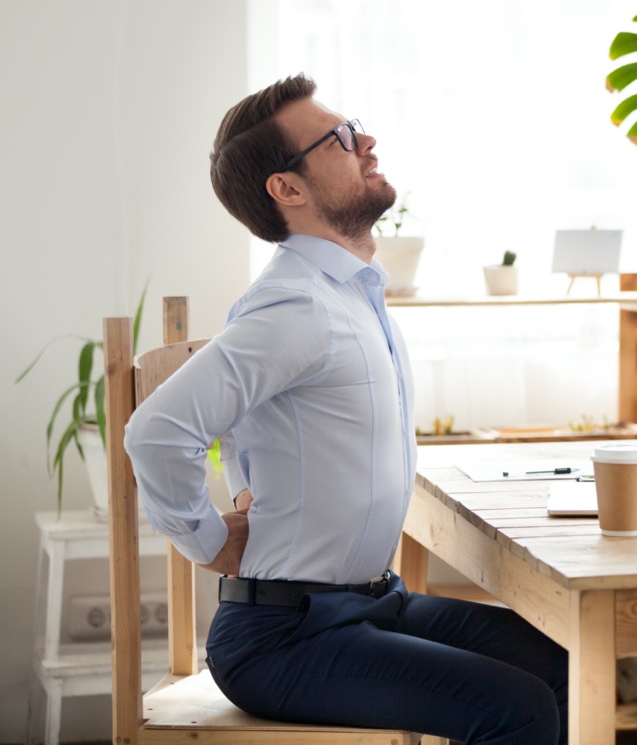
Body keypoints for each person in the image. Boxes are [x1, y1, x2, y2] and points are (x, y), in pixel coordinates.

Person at [125, 74, 568, 745]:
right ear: (288, 188)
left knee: (562, 661)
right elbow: (157, 432)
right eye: (338, 139)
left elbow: (265, 430)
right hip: (282, 639)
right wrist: (210, 544)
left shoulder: (346, 293)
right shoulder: (299, 306)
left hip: (368, 603)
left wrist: (248, 489)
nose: (366, 141)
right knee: (519, 708)